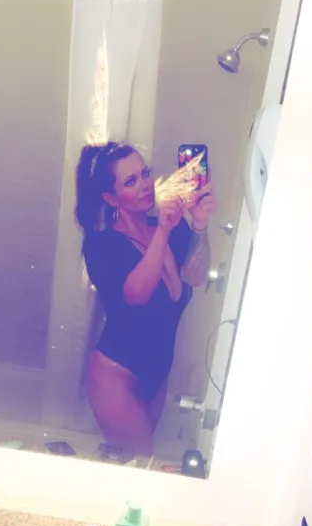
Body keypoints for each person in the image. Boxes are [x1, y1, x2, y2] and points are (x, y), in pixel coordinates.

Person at [74, 141, 218, 457]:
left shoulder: (172, 227)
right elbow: (137, 295)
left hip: (156, 375)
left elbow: (195, 277)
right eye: (130, 181)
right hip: (116, 375)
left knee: (133, 465)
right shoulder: (102, 246)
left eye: (145, 174)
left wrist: (199, 225)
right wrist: (163, 231)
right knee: (140, 462)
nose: (144, 185)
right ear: (111, 198)